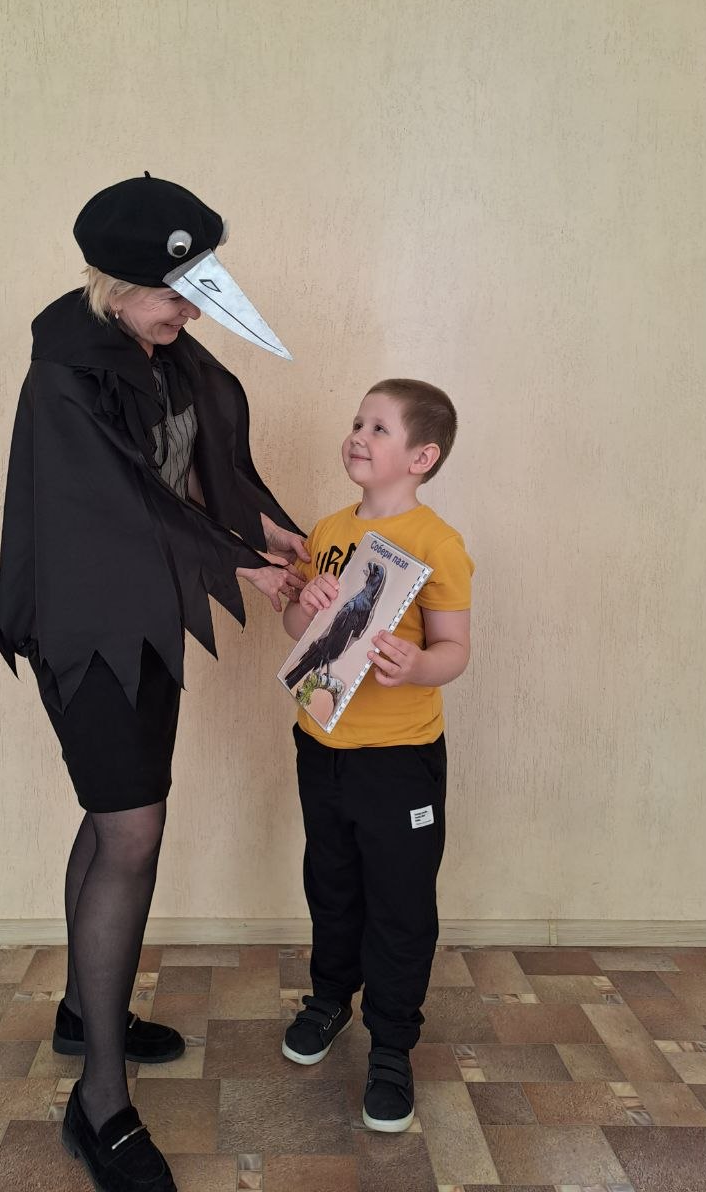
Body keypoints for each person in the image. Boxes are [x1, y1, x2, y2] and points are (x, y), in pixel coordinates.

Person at [0, 174, 307, 1192]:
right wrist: (240, 565)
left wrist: (271, 531)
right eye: (177, 293)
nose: (193, 312)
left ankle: (84, 1010)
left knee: (112, 820)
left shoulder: (161, 354)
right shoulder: (66, 378)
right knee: (131, 832)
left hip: (144, 622)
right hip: (85, 627)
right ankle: (100, 1102)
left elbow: (203, 463)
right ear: (116, 287)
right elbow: (124, 502)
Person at [279, 378, 473, 1133]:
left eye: (380, 428)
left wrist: (418, 665)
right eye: (357, 422)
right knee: (330, 882)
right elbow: (296, 625)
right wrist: (304, 605)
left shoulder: (437, 543)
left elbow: (454, 648)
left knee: (399, 901)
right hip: (320, 746)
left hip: (399, 761)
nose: (358, 434)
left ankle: (391, 1045)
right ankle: (330, 999)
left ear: (422, 457)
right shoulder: (329, 529)